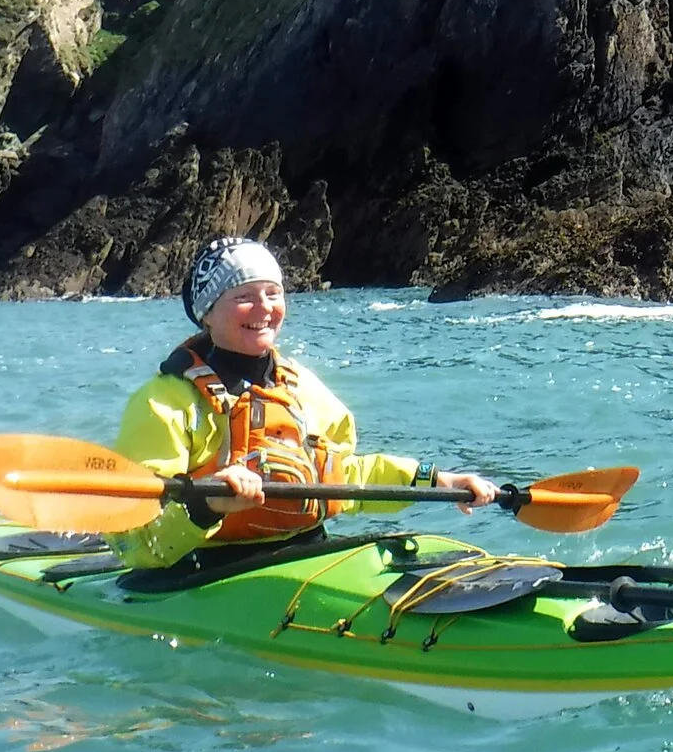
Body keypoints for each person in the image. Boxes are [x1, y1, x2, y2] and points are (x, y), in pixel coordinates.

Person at [108, 235, 499, 570]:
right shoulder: (165, 403)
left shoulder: (301, 388)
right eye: (243, 296)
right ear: (207, 313)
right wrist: (206, 504)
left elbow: (341, 477)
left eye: (273, 293)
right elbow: (134, 541)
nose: (264, 308)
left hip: (308, 557)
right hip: (200, 573)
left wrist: (435, 480)